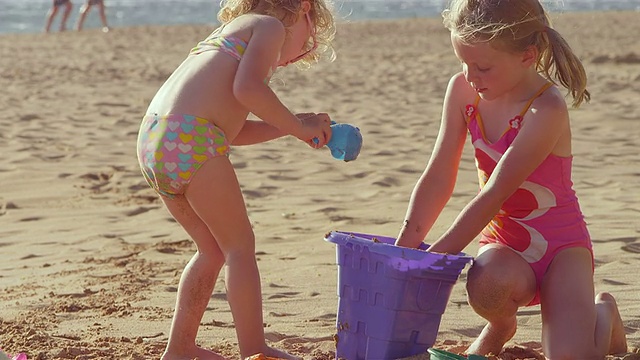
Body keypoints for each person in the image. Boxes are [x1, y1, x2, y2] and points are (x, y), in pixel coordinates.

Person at [394, 0, 628, 358]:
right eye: (464, 62)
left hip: (561, 249)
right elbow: (439, 174)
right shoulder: (463, 91)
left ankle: (603, 313)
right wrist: (404, 250)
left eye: (483, 67)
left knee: (568, 357)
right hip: (505, 245)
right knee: (486, 284)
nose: (471, 76)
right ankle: (502, 325)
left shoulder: (545, 108)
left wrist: (432, 262)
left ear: (527, 56)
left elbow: (495, 194)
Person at [135, 0, 336, 358]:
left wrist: (292, 127)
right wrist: (299, 127)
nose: (291, 59)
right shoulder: (270, 26)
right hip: (191, 137)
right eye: (308, 44)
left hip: (155, 139)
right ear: (304, 9)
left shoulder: (229, 34)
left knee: (210, 250)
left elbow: (234, 129)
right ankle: (254, 350)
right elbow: (249, 90)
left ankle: (180, 348)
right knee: (240, 247)